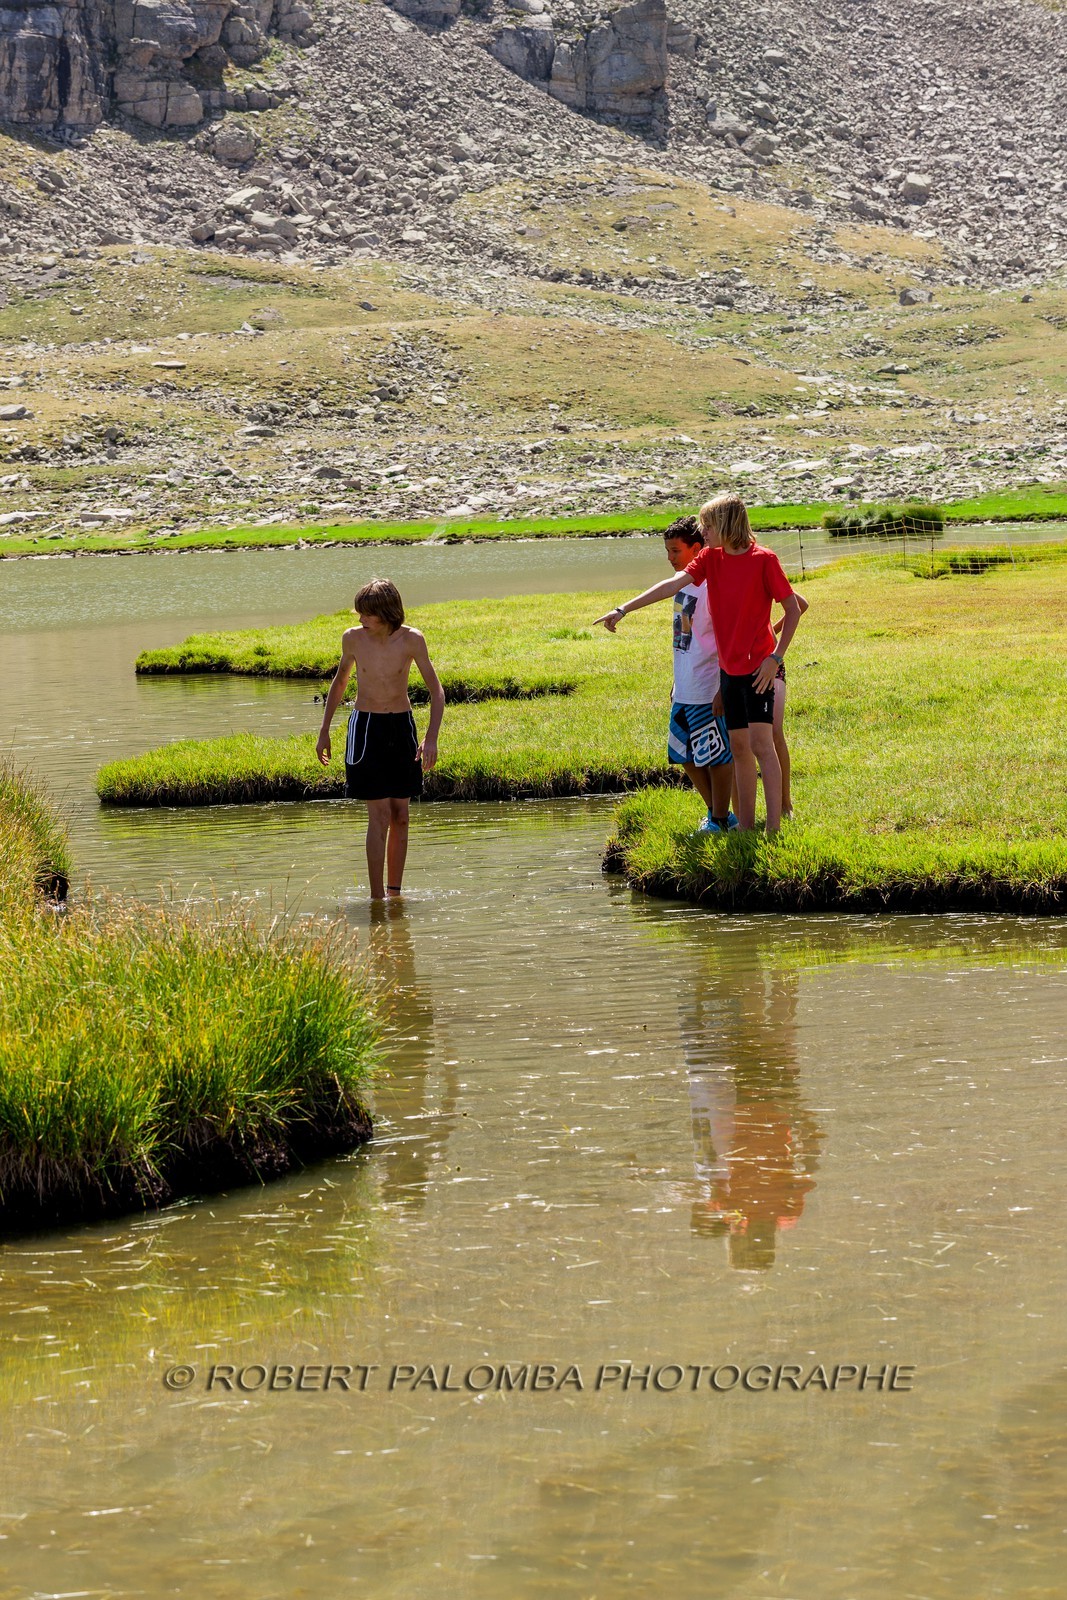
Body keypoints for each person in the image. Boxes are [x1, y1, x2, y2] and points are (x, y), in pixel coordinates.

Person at [595, 493, 802, 833]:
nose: (702, 532)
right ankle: (747, 829)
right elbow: (671, 585)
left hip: (759, 672)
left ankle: (774, 829)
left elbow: (794, 609)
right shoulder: (710, 558)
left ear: (727, 524)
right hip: (729, 673)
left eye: (707, 526)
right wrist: (623, 609)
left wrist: (774, 657)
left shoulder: (764, 559)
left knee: (762, 745)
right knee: (738, 749)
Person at [316, 578, 445, 899]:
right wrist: (324, 730)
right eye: (359, 613)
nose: (360, 619)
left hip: (401, 727)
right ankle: (376, 899)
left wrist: (431, 738)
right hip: (366, 728)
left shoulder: (413, 640)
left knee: (401, 816)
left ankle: (395, 894)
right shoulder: (352, 639)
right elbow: (340, 681)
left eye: (367, 614)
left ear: (387, 613)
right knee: (380, 815)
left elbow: (437, 691)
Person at [661, 515, 737, 834]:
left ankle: (720, 819)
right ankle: (718, 815)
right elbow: (685, 640)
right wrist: (676, 682)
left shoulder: (711, 587)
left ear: (696, 548)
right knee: (684, 755)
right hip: (685, 688)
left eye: (675, 551)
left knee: (716, 755)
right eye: (667, 551)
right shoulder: (684, 586)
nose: (670, 559)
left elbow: (726, 641)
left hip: (709, 689)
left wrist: (723, 687)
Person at [771, 592, 808, 821]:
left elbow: (800, 605)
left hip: (769, 663)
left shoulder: (761, 569)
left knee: (775, 734)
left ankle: (786, 804)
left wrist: (769, 631)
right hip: (735, 663)